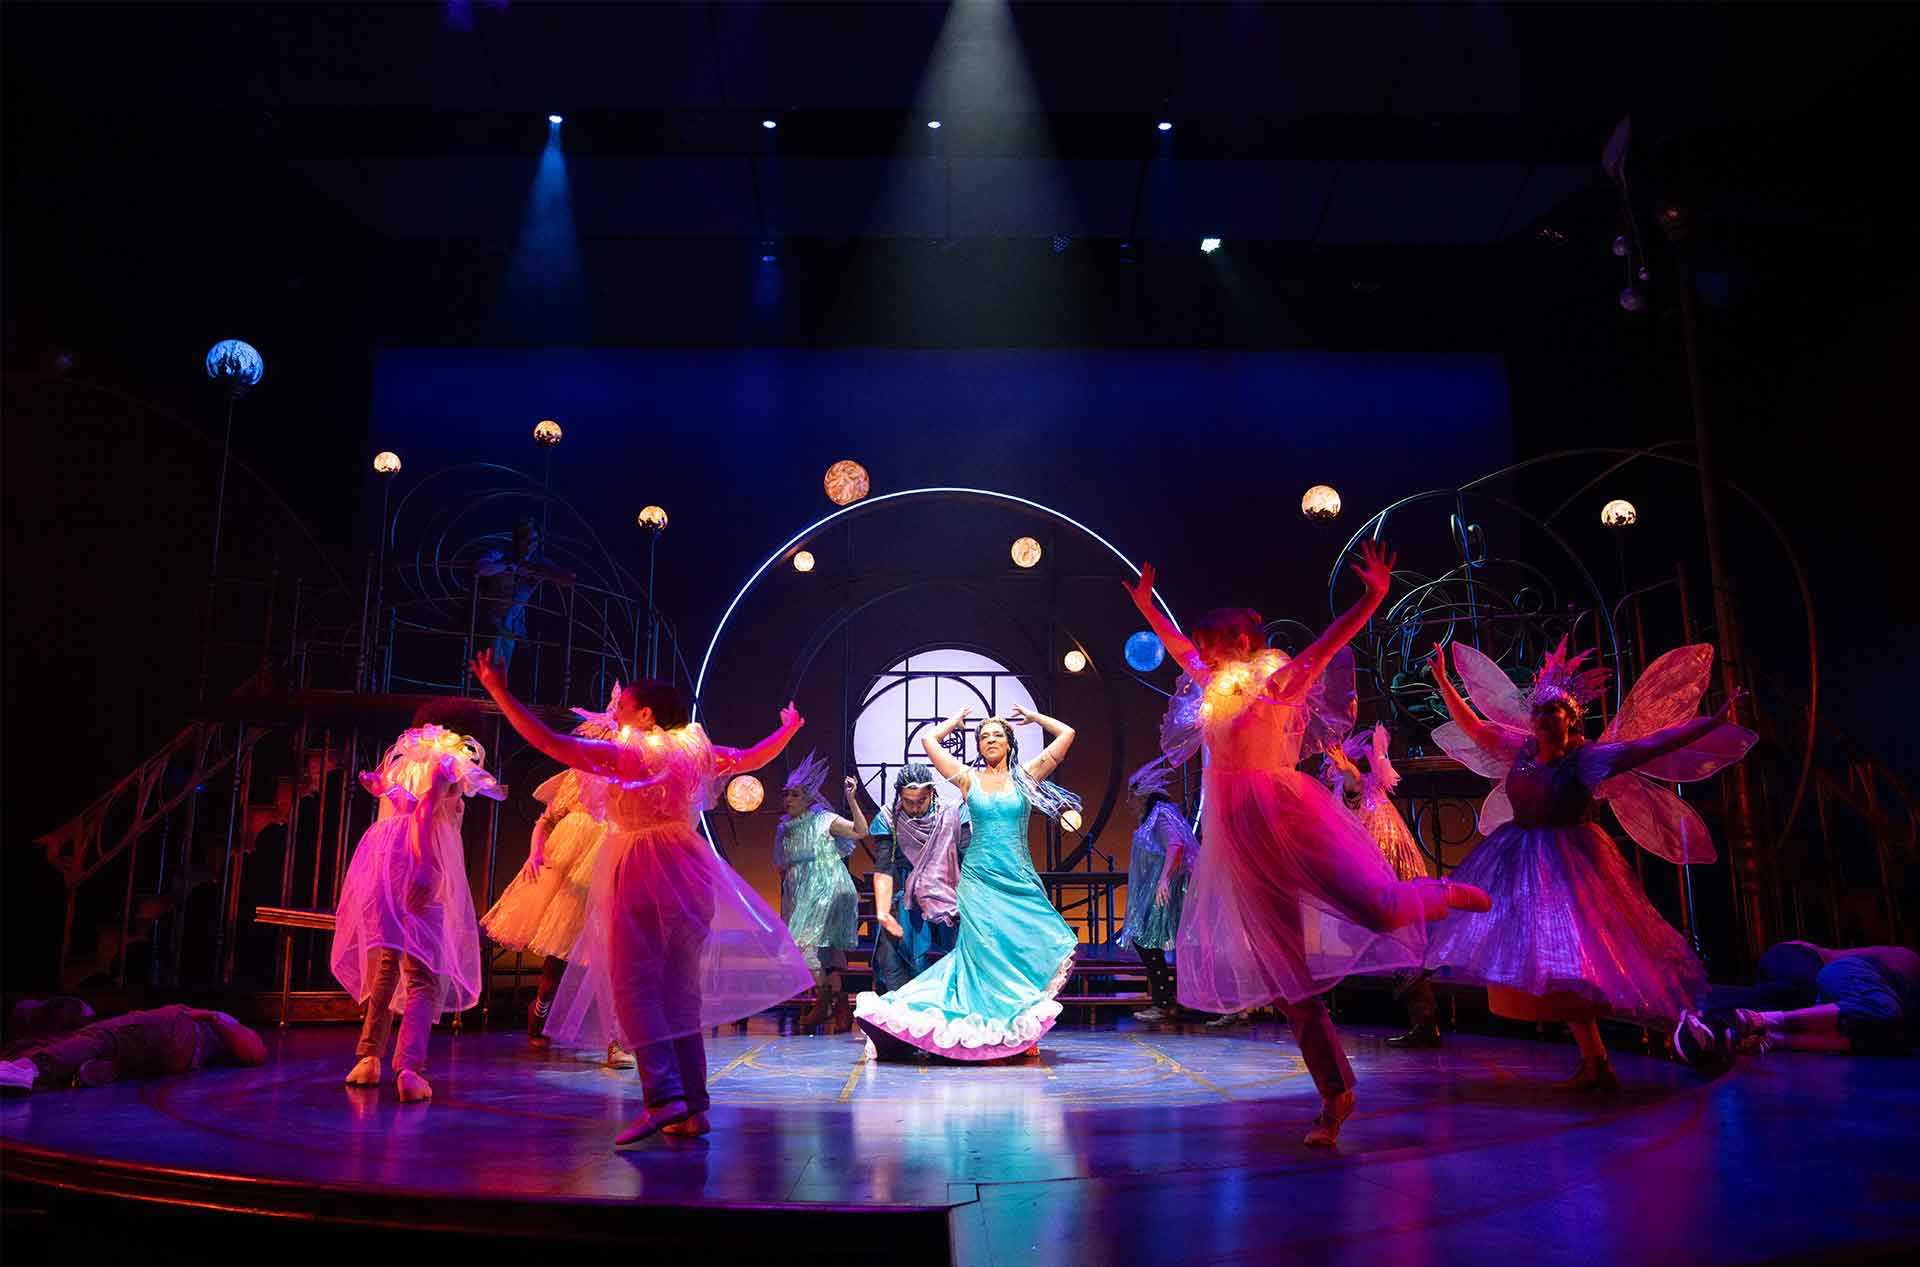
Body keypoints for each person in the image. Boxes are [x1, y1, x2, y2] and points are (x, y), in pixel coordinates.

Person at [1125, 542, 1489, 1146]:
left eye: (1213, 645)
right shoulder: (1212, 686)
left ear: (1241, 644)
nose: (1203, 656)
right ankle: (1334, 1096)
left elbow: (1326, 642)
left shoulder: (1280, 682)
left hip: (1288, 818)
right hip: (1239, 840)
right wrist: (1147, 608)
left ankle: (1440, 892)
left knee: (1377, 907)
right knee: (1289, 978)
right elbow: (1177, 647)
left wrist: (1372, 596)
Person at [471, 649, 811, 1145]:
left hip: (642, 865)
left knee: (633, 987)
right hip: (691, 868)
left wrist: (499, 691)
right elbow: (749, 758)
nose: (616, 715)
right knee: (679, 993)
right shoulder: (694, 752)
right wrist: (789, 731)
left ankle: (663, 1096)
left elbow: (550, 742)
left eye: (623, 708)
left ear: (645, 715)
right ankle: (693, 1107)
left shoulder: (633, 754)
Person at [1426, 637, 1754, 1092]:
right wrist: (1443, 679)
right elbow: (1473, 726)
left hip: (1571, 865)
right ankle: (1595, 1061)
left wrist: (1711, 722)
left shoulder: (1588, 758)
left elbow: (1653, 744)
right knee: (1544, 964)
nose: (1543, 720)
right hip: (1517, 860)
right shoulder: (1518, 751)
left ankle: (1668, 1038)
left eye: (1553, 712)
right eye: (1539, 712)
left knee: (1586, 961)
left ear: (1572, 718)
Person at [853, 706, 1080, 1061]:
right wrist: (953, 724)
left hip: (1019, 878)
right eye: (984, 736)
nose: (990, 740)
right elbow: (929, 741)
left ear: (1009, 743)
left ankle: (1015, 1022)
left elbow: (1067, 734)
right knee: (984, 957)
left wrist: (1036, 719)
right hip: (979, 881)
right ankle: (987, 1027)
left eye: (997, 735)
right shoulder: (967, 779)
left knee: (1029, 949)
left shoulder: (1026, 777)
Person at [331, 700, 504, 1104]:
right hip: (421, 854)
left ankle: (368, 1057)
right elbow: (426, 811)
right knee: (425, 968)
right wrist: (427, 863)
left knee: (390, 958)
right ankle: (408, 1068)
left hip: (385, 857)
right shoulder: (449, 760)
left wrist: (383, 788)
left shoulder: (403, 756)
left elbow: (408, 805)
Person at [480, 691, 619, 1049]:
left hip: (608, 859)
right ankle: (541, 1011)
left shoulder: (624, 778)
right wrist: (534, 853)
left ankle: (613, 1034)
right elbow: (545, 820)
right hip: (571, 859)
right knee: (560, 949)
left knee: (611, 952)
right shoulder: (574, 779)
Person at [1320, 724, 1442, 1047]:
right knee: (1401, 947)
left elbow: (1352, 787)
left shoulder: (1360, 790)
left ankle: (1425, 1024)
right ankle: (1425, 1022)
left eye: (1332, 763)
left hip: (1383, 879)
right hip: (1393, 878)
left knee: (1399, 948)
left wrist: (1347, 771)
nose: (1327, 768)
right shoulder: (1376, 793)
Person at [1676, 941, 1920, 1064]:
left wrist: (1778, 1041)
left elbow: (1851, 1040)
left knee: (1787, 1000)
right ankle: (1717, 1011)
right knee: (1798, 990)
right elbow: (1877, 997)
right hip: (1808, 960)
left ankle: (1716, 1026)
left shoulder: (1897, 1033)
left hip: (1824, 993)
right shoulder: (1909, 963)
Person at [773, 753, 868, 1033]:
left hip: (828, 888)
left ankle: (824, 1002)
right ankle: (840, 1009)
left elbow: (860, 832)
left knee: (805, 946)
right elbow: (782, 867)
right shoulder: (785, 828)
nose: (789, 799)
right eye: (786, 794)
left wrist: (852, 799)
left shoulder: (824, 819)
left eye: (795, 794)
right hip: (803, 892)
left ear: (809, 798)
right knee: (826, 955)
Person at [0, 1004, 266, 1095]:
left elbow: (255, 1053)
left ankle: (27, 1068)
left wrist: (207, 1015)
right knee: (101, 1044)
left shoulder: (218, 1023)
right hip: (173, 1050)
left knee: (101, 1038)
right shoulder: (213, 1044)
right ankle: (35, 1068)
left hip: (177, 1030)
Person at [867, 763, 963, 995]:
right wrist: (882, 911)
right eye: (908, 801)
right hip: (905, 896)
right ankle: (904, 1017)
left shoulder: (951, 814)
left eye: (920, 800)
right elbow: (884, 866)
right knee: (890, 958)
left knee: (953, 957)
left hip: (946, 895)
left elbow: (968, 856)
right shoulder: (889, 817)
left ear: (931, 792)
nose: (915, 807)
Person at [1115, 758, 1199, 1023]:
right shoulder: (1156, 816)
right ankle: (1170, 1002)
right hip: (1165, 890)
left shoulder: (1161, 815)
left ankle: (1170, 1003)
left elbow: (1176, 846)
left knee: (1148, 938)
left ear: (1143, 794)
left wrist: (1164, 881)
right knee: (1150, 940)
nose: (1129, 801)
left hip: (1171, 891)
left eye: (1132, 795)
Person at [474, 519, 571, 674]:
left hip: (517, 623)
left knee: (525, 666)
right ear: (517, 540)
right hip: (494, 619)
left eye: (534, 541)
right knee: (495, 664)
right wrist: (510, 567)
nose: (530, 545)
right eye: (526, 540)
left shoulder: (538, 561)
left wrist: (548, 573)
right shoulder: (501, 554)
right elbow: (481, 568)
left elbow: (567, 579)